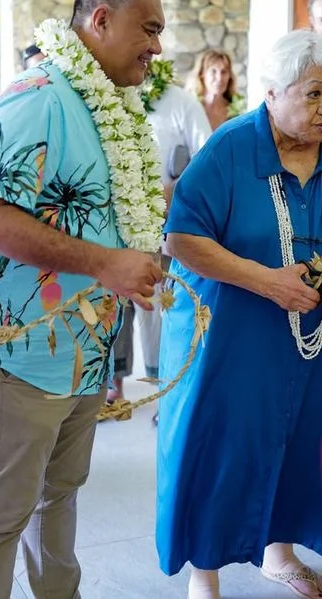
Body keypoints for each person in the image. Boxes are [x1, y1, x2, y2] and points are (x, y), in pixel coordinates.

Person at [157, 30, 322, 599]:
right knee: (223, 445)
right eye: (314, 94)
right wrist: (266, 281)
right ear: (272, 92)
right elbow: (181, 238)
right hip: (232, 340)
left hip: (318, 341)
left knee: (302, 440)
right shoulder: (231, 149)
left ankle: (279, 554)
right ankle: (204, 573)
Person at [0, 0, 165, 596]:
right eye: (149, 29)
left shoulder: (107, 103)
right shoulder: (39, 96)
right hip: (23, 350)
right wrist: (105, 263)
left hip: (86, 348)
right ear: (101, 20)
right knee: (1, 515)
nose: (157, 46)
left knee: (59, 495)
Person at [107, 58, 211, 416]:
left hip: (162, 221)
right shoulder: (106, 95)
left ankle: (162, 391)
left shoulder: (180, 101)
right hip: (115, 222)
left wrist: (172, 191)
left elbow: (205, 158)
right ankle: (114, 387)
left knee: (160, 305)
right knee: (115, 304)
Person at [185, 49, 245, 131]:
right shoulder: (190, 105)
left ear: (229, 76)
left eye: (224, 72)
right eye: (213, 71)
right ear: (202, 74)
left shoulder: (236, 110)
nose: (219, 78)